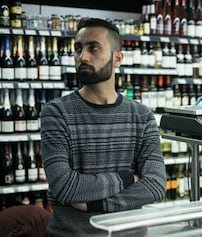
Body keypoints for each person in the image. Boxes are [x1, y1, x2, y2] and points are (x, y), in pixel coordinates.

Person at [40, 18, 167, 236]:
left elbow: (155, 185)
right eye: (78, 49)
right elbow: (64, 186)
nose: (83, 57)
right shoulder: (56, 112)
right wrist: (128, 178)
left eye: (93, 48)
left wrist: (94, 206)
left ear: (118, 58)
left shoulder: (142, 116)